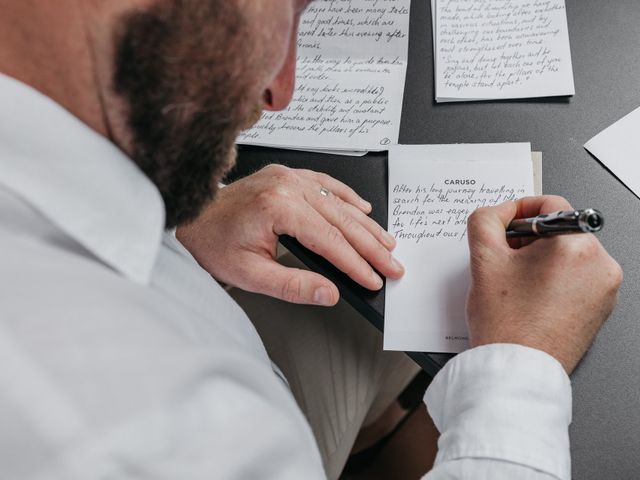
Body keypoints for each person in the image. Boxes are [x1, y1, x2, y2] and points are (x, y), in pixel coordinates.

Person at [0, 0, 622, 479]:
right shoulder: (130, 438)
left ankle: (379, 427)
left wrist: (183, 217)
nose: (281, 92)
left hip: (230, 333)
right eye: (281, 15)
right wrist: (524, 360)